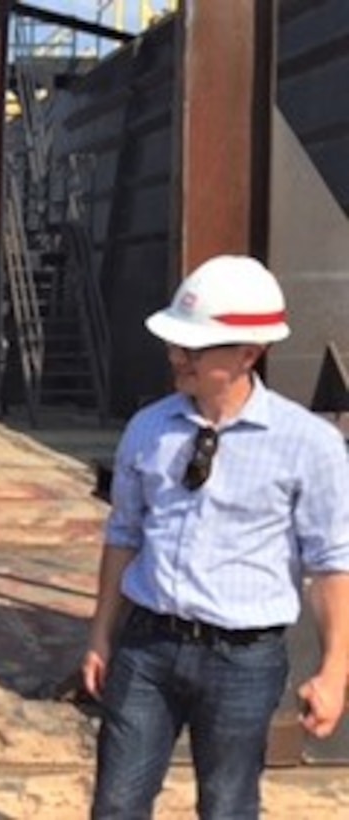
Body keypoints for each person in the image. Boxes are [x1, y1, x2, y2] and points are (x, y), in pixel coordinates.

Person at [82, 254, 349, 818]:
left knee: (227, 805)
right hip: (147, 647)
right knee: (116, 802)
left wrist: (334, 671)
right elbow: (123, 534)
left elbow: (329, 565)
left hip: (242, 662)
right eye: (177, 344)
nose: (177, 357)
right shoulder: (148, 429)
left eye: (194, 349)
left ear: (249, 353)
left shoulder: (308, 446)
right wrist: (101, 635)